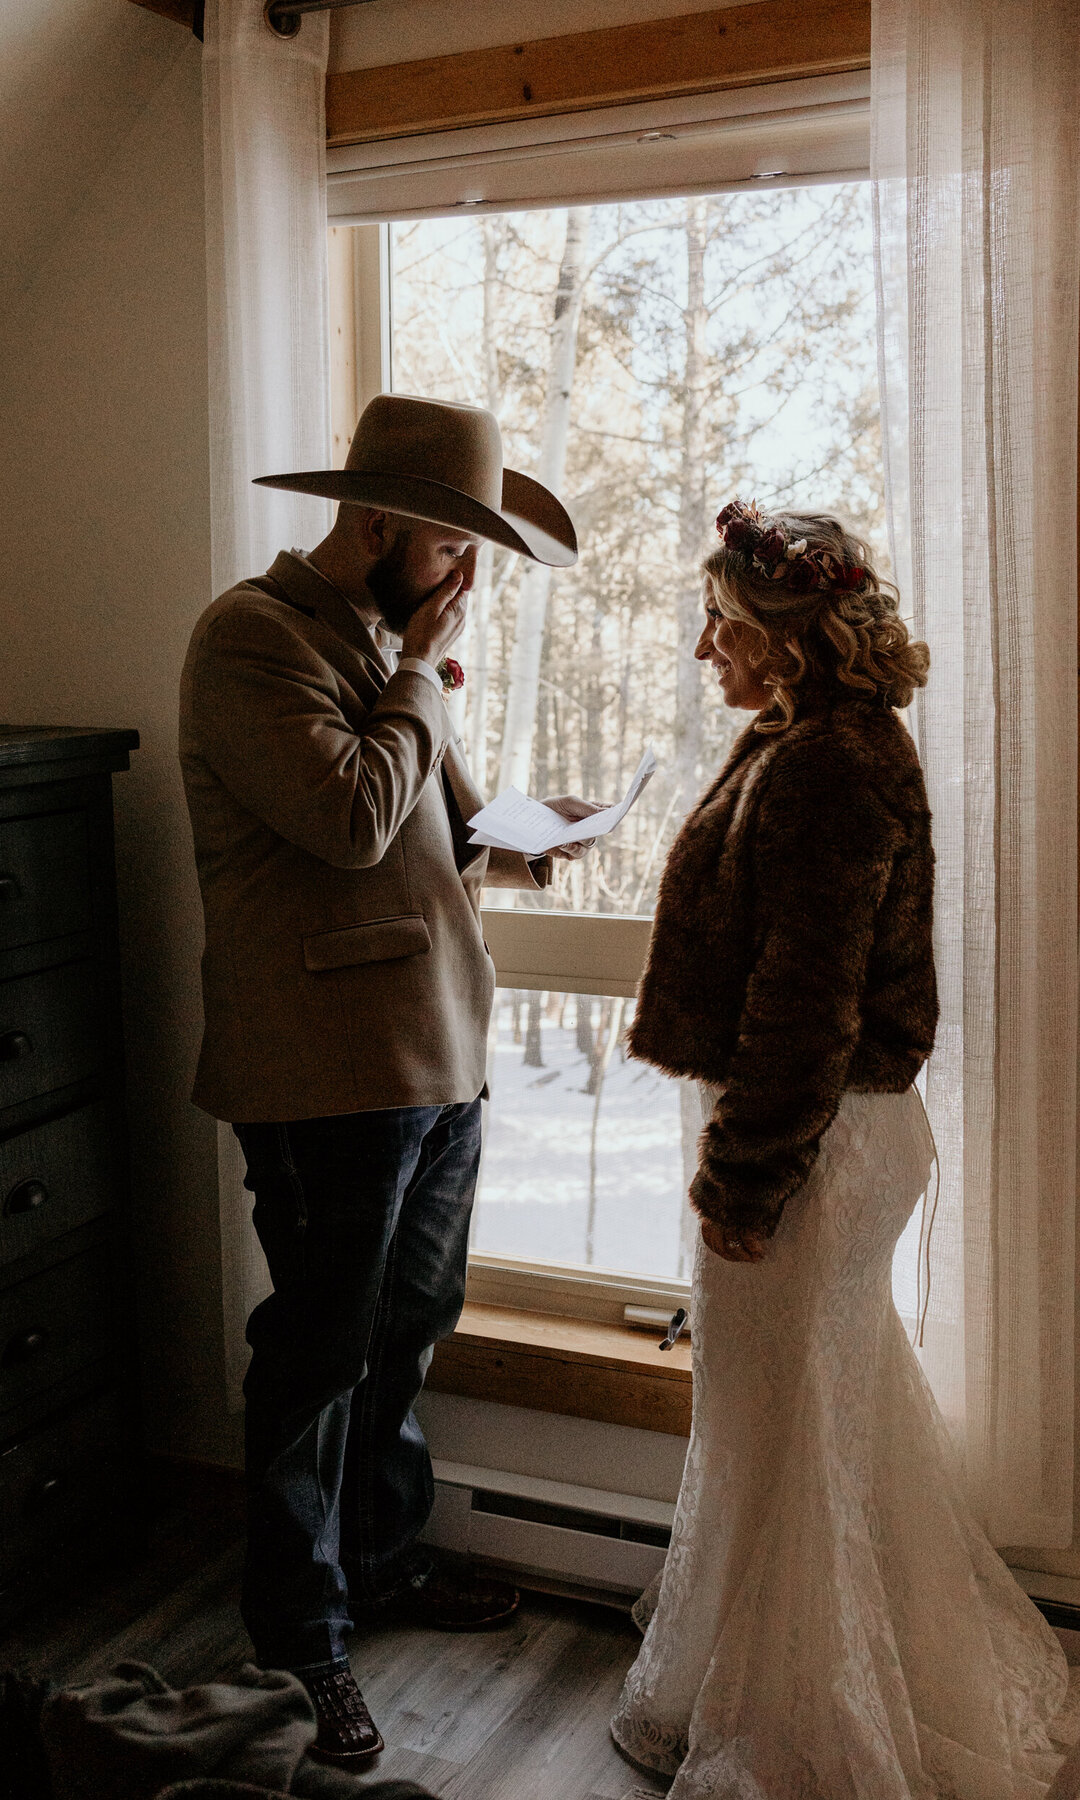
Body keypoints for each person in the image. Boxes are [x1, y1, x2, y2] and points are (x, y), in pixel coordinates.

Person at [610, 501, 1078, 1797]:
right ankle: (781, 1674)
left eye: (722, 621)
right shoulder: (811, 739)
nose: (706, 645)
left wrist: (745, 1176)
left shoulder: (828, 764)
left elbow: (805, 999)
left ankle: (814, 1723)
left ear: (785, 639)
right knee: (812, 1421)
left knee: (791, 1428)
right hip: (834, 1136)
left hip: (817, 1149)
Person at [179, 394, 598, 1768]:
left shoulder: (380, 640)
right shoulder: (249, 637)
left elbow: (434, 823)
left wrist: (521, 842)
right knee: (318, 1355)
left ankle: (381, 1559)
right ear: (376, 524)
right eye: (456, 544)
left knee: (412, 1322)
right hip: (322, 1073)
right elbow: (353, 817)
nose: (470, 575)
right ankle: (301, 1639)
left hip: (437, 1055)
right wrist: (420, 676)